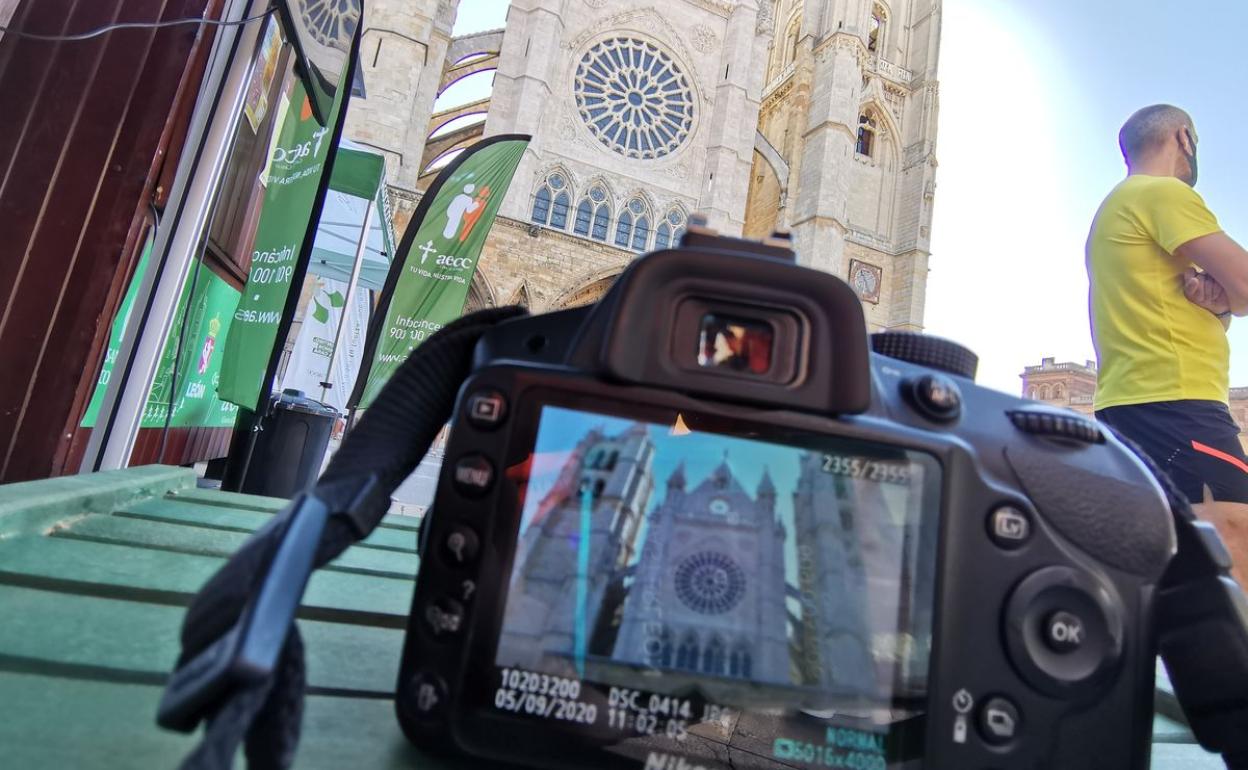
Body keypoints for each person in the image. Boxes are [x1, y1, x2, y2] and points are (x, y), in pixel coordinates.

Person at [1086, 104, 1248, 511]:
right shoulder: (1164, 193)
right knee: (1237, 551)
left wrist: (1222, 307)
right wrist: (1233, 297)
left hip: (1134, 403)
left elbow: (1223, 306)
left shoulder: (1116, 207)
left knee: (1169, 559)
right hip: (1178, 404)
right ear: (1183, 138)